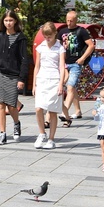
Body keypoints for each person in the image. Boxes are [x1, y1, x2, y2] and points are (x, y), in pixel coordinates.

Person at [0, 10, 29, 145]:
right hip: (0, 72)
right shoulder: (0, 36)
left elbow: (24, 59)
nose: (8, 23)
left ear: (15, 21)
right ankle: (2, 133)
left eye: (11, 20)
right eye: (6, 21)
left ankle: (16, 123)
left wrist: (22, 78)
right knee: (0, 104)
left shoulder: (21, 38)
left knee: (11, 106)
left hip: (13, 75)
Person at [33, 22, 67, 150]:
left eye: (50, 36)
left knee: (52, 111)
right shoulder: (40, 47)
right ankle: (42, 133)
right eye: (45, 36)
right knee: (38, 108)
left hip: (54, 80)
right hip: (42, 79)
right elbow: (37, 66)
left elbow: (62, 67)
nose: (47, 38)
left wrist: (60, 84)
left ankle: (51, 139)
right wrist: (34, 84)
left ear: (54, 34)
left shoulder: (60, 48)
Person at [57, 10, 94, 120]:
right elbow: (58, 47)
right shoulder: (62, 31)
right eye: (67, 20)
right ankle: (78, 111)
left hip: (75, 63)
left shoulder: (81, 31)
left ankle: (65, 111)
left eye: (71, 21)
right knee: (71, 88)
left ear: (76, 20)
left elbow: (91, 45)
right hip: (64, 63)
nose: (69, 23)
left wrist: (82, 58)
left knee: (70, 86)